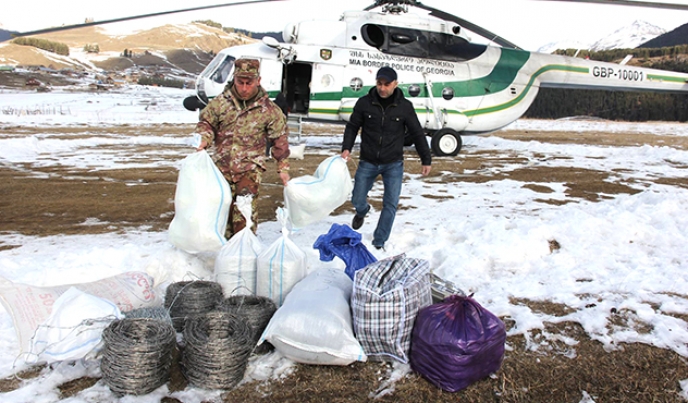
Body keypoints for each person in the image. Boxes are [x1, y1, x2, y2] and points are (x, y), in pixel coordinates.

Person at [195, 58, 290, 239]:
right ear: (234, 79)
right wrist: (204, 139)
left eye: (249, 83)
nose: (244, 88)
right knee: (221, 213)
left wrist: (283, 167)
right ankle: (225, 256)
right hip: (221, 170)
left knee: (244, 216)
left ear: (258, 81)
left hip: (249, 170)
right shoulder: (220, 104)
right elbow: (206, 123)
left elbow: (279, 139)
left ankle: (243, 254)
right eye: (240, 82)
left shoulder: (269, 110)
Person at [341, 66, 432, 250]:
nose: (382, 88)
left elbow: (417, 132)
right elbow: (352, 126)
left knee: (390, 204)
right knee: (357, 197)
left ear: (395, 84)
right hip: (368, 161)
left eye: (387, 84)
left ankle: (378, 242)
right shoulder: (364, 103)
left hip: (393, 164)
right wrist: (346, 148)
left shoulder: (405, 106)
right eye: (379, 84)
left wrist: (426, 158)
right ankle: (362, 210)